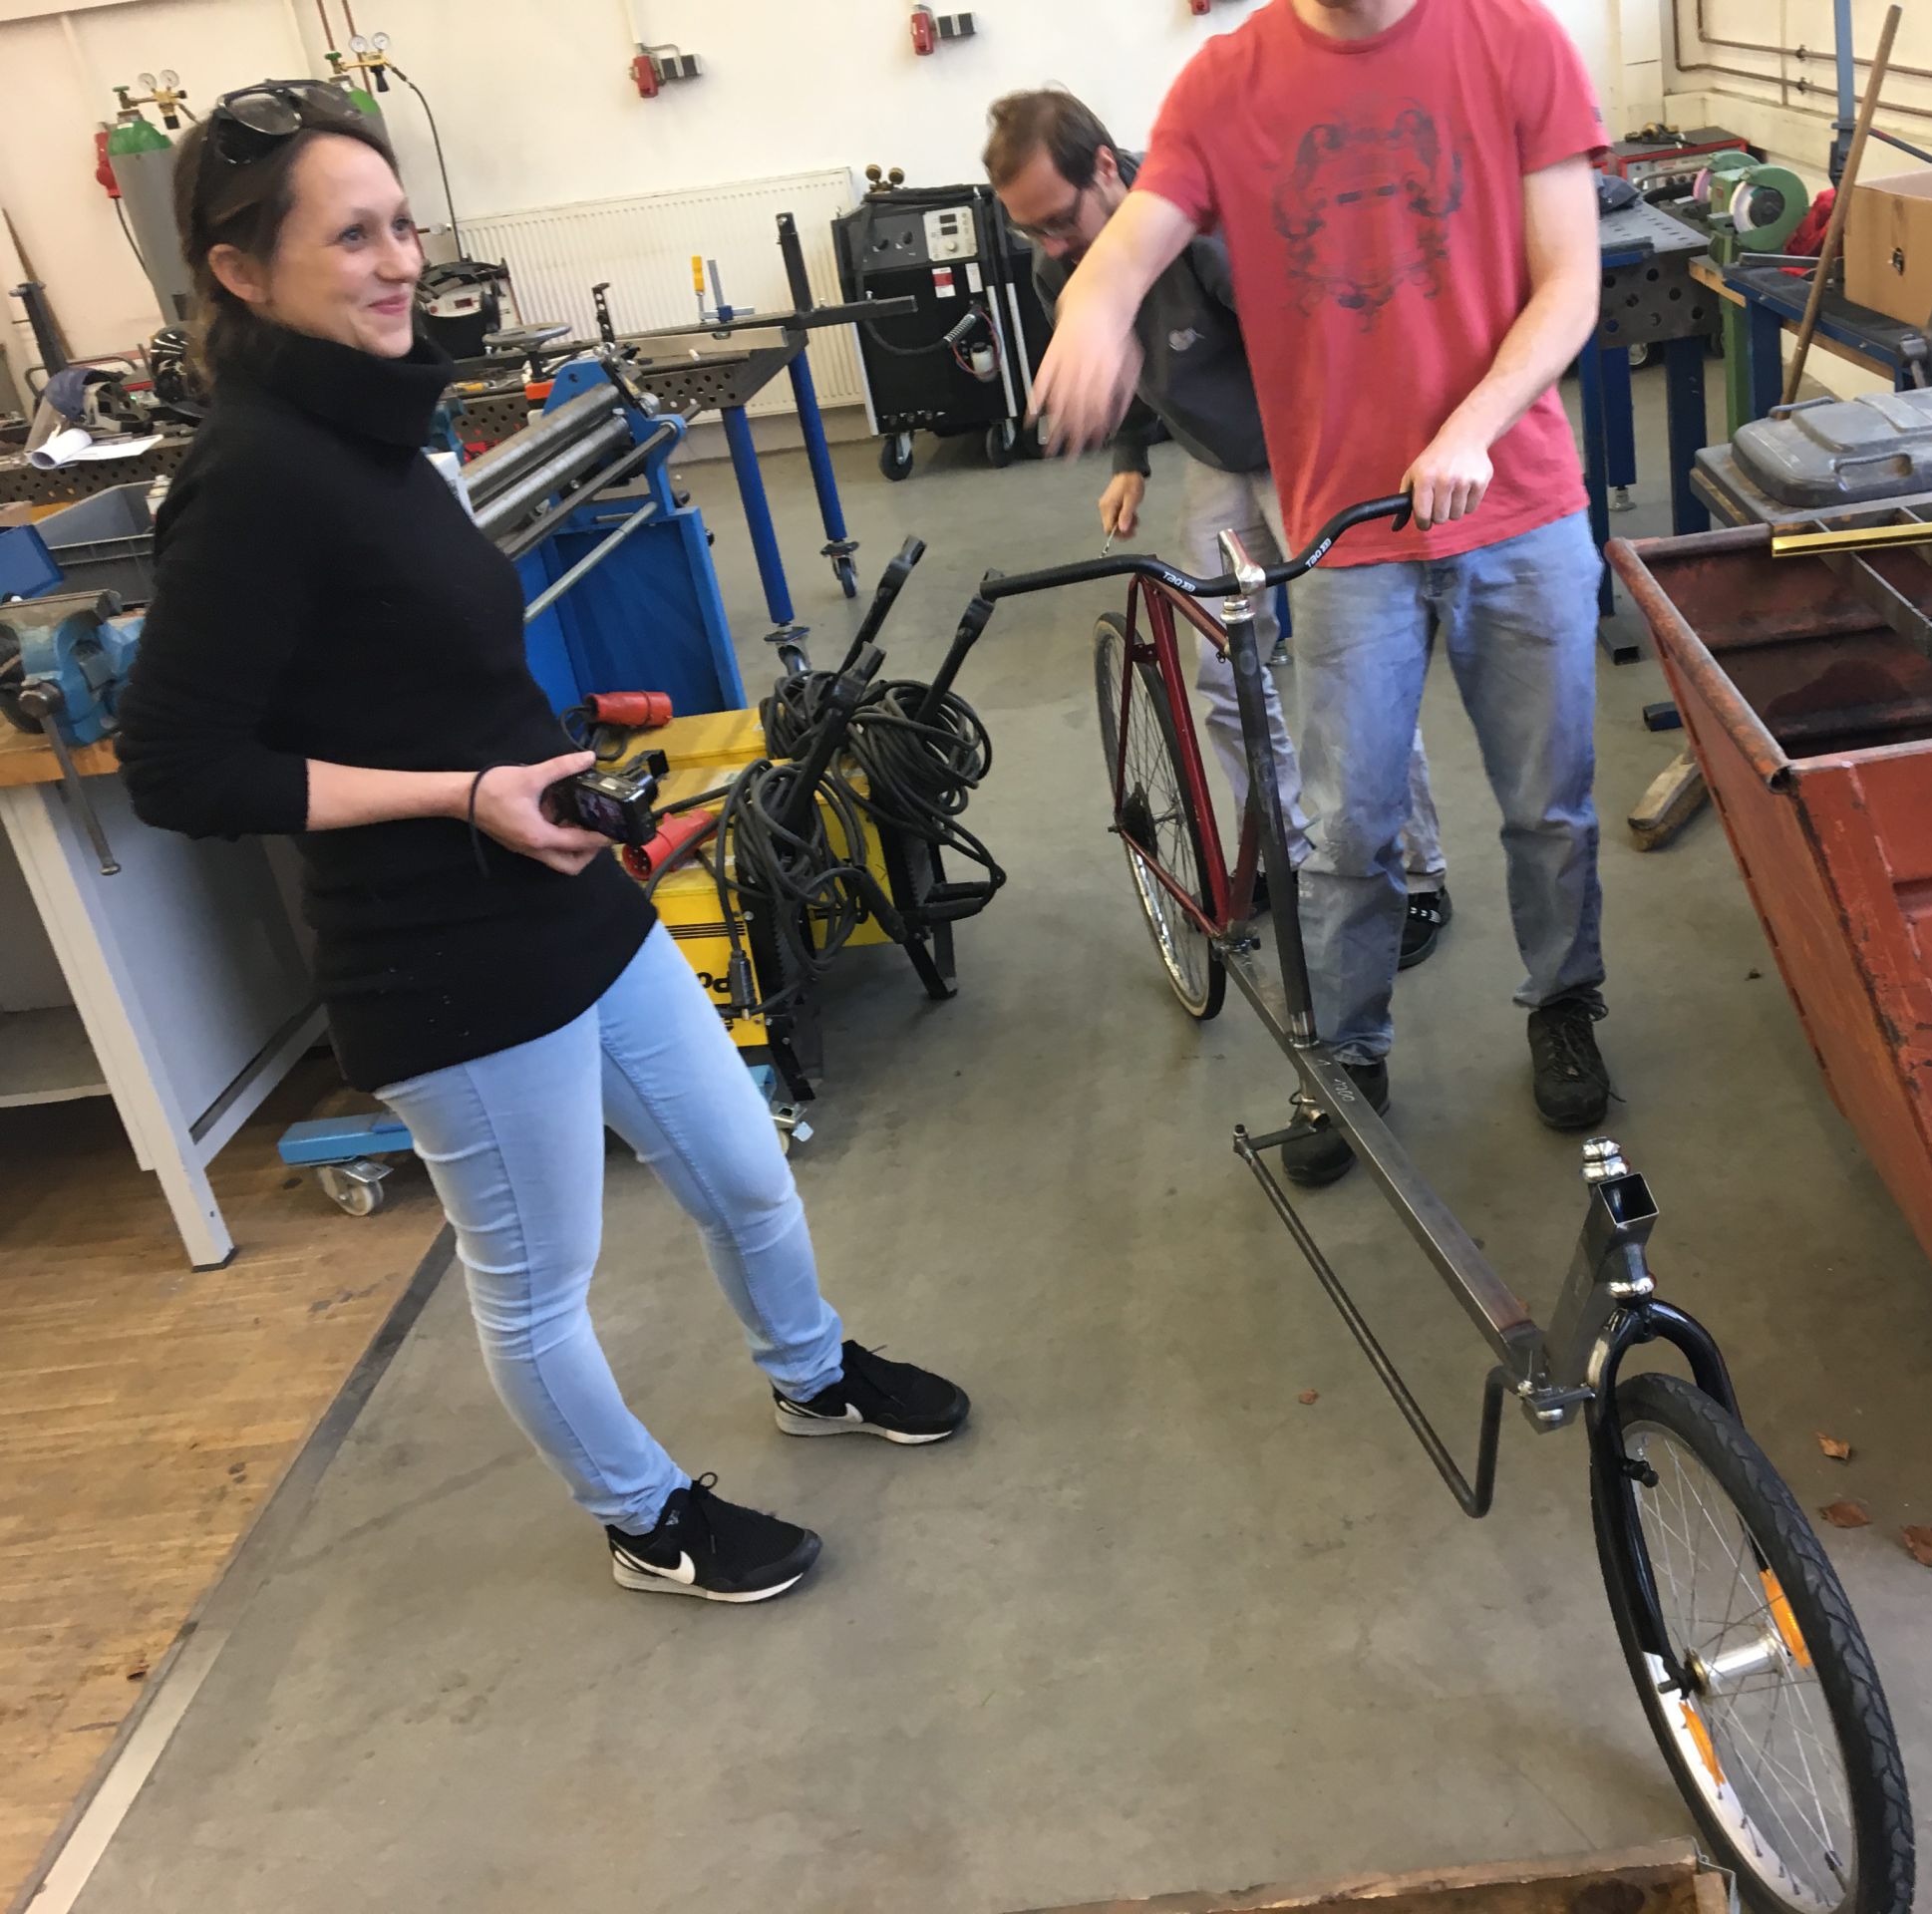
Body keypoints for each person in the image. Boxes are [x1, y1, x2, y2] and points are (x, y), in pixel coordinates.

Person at [117, 82, 967, 1606]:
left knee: (742, 1167)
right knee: (537, 1282)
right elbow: (178, 768)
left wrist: (531, 778)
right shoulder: (249, 479)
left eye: (402, 226)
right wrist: (460, 795)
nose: (400, 262)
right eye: (352, 237)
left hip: (566, 895)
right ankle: (645, 1520)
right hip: (440, 957)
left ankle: (811, 1371)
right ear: (240, 272)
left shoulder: (377, 425)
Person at [1032, 0, 1612, 1186]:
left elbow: (1569, 285)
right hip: (1347, 531)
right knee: (1348, 828)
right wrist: (1091, 311)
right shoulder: (1223, 87)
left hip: (1520, 503)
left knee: (1547, 804)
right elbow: (1126, 249)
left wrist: (1470, 426)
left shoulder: (1514, 39)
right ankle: (1347, 1057)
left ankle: (1563, 1002)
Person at [983, 88, 1452, 970]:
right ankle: (1290, 849)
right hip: (1218, 461)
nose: (1049, 246)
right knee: (1222, 670)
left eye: (1058, 220)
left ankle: (1415, 875)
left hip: (1307, 455)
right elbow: (1117, 365)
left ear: (1108, 170)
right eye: (1029, 230)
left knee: (1354, 669)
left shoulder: (1204, 234)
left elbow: (1325, 347)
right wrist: (1129, 458)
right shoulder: (1061, 267)